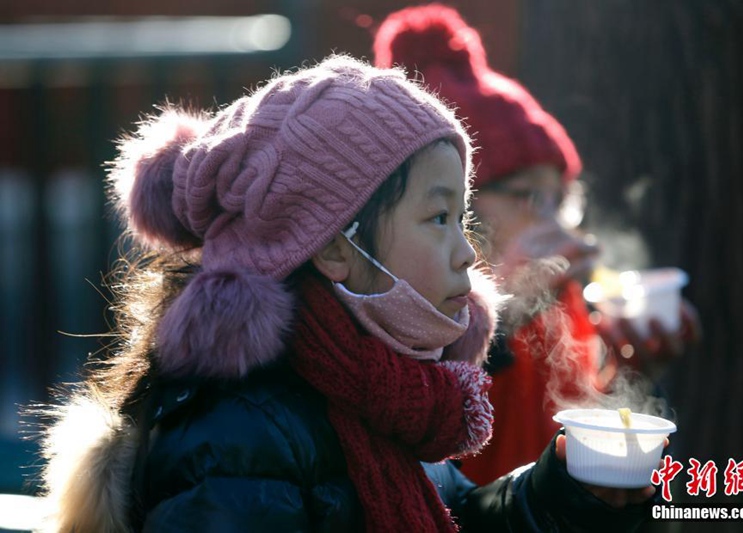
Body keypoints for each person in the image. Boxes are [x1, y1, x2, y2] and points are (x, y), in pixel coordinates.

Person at [35, 55, 657, 532]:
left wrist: (558, 491)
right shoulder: (241, 439)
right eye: (438, 218)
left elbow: (456, 516)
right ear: (336, 246)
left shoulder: (393, 389)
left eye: (462, 219)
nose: (468, 252)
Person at [374, 4, 701, 486]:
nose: (551, 219)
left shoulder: (558, 302)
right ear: (455, 203)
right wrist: (504, 310)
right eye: (530, 196)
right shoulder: (410, 307)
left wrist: (635, 369)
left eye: (560, 198)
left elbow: (574, 451)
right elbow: (432, 457)